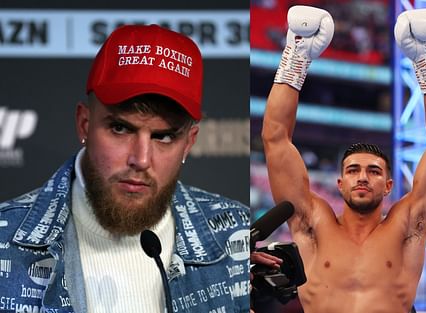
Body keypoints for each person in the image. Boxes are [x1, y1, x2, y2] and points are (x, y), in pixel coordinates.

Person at [0, 25, 249, 313]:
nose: (141, 160)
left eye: (164, 136)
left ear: (189, 143)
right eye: (120, 128)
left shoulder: (238, 234)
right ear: (85, 124)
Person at [261, 5, 426, 313]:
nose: (363, 176)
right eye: (353, 170)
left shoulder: (408, 226)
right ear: (340, 184)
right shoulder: (311, 224)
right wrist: (295, 57)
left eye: (373, 171)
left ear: (388, 185)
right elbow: (275, 139)